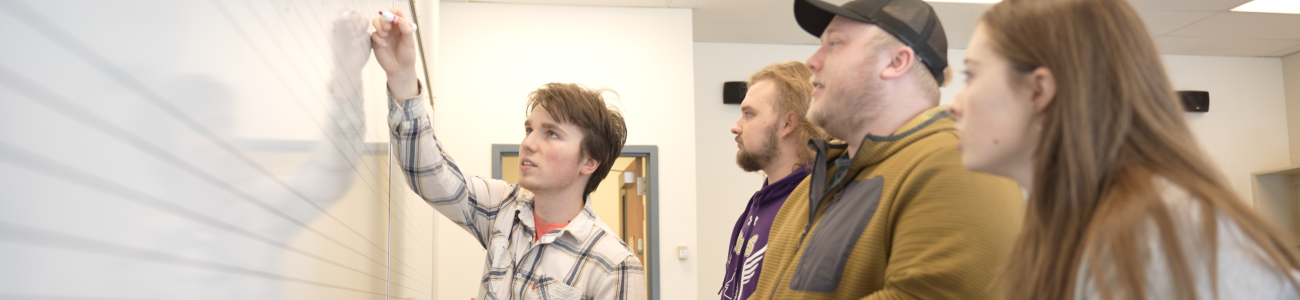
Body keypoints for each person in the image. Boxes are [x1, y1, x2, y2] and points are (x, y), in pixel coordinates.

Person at [946, 0, 1300, 299]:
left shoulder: (1160, 236)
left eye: (972, 75)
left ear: (1038, 91)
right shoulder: (1073, 223)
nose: (954, 104)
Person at [748, 0, 1025, 299]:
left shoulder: (960, 165)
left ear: (896, 62)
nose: (812, 61)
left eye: (835, 44)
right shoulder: (813, 185)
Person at [370, 9, 646, 300]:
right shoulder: (504, 208)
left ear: (589, 162)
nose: (527, 143)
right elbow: (433, 176)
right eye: (529, 130)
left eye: (551, 133)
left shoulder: (615, 264)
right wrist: (402, 77)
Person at [719, 61, 827, 300]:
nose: (735, 127)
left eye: (749, 114)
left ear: (788, 123)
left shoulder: (818, 207)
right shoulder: (761, 203)